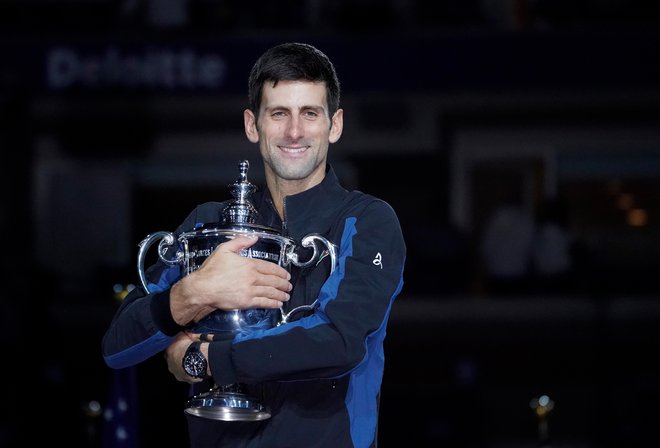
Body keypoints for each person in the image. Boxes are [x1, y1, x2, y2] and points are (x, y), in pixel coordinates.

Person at [102, 42, 407, 448]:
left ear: (335, 125)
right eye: (278, 113)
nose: (294, 131)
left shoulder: (367, 220)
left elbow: (338, 341)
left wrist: (207, 359)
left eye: (310, 114)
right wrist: (195, 293)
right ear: (252, 124)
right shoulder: (209, 224)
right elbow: (117, 348)